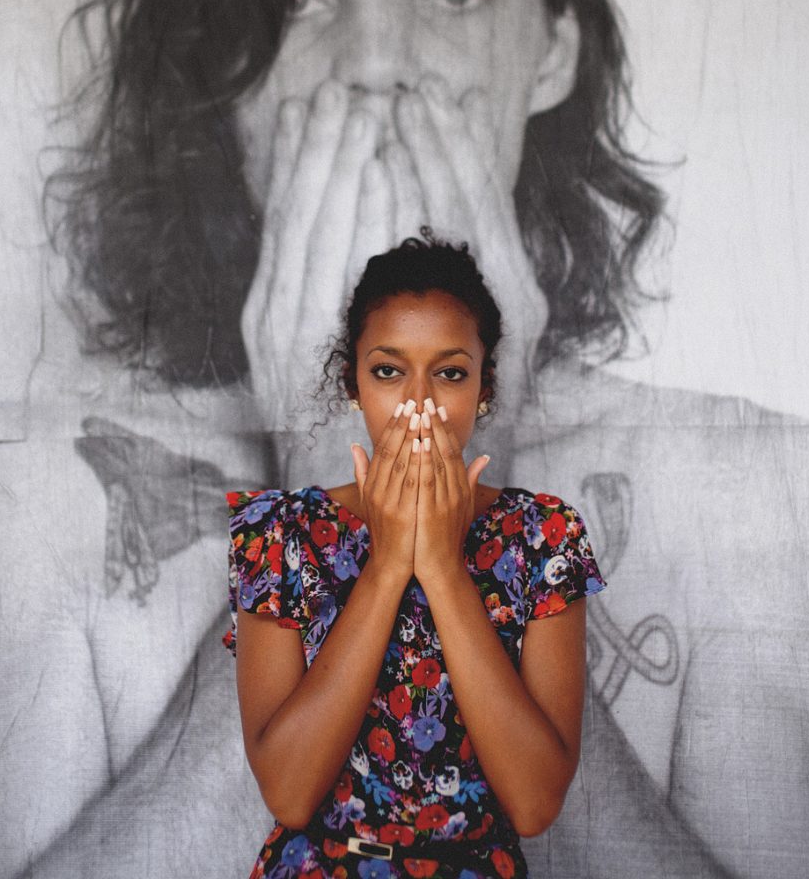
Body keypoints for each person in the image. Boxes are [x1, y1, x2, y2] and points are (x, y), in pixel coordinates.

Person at [0, 0, 809, 879]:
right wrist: (326, 520)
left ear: (553, 51)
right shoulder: (16, 495)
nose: (374, 65)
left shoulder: (762, 495)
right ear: (219, 70)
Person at [228, 236, 606, 879]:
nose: (419, 405)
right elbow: (289, 794)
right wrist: (385, 566)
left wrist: (443, 567)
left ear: (484, 388)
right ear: (353, 383)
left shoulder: (544, 537)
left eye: (451, 373)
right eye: (388, 371)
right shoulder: (279, 535)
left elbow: (536, 803)